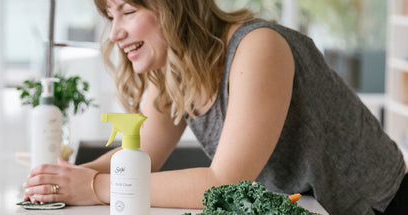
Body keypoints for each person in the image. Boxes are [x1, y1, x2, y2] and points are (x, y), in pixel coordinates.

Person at [23, 0, 408, 214]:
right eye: (110, 16)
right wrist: (60, 179)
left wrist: (93, 187)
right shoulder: (175, 72)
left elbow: (223, 183)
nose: (115, 32)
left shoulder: (258, 46)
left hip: (381, 206)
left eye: (127, 11)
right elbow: (137, 157)